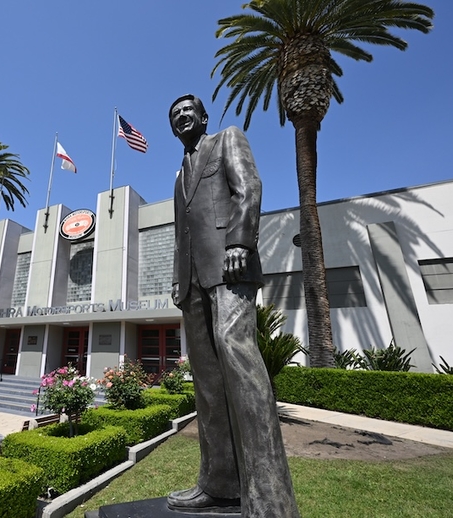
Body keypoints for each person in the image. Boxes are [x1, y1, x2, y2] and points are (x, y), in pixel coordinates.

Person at [167, 94, 299, 517]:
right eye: (174, 115)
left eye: (188, 111)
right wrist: (177, 278)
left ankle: (271, 500)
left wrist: (240, 240)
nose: (181, 117)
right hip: (192, 284)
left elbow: (249, 187)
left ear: (204, 117)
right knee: (208, 386)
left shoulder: (228, 139)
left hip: (230, 266)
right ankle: (220, 485)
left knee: (238, 356)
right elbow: (181, 234)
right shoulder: (179, 175)